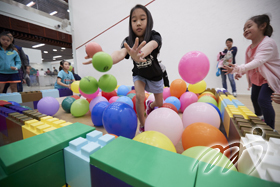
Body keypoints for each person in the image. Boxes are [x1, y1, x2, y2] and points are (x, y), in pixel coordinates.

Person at [84, 4, 163, 133]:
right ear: (130, 23)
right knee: (139, 96)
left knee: (159, 103)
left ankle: (151, 105)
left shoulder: (155, 36)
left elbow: (152, 46)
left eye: (142, 19)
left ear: (149, 21)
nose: (138, 23)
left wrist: (140, 53)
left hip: (155, 75)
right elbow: (120, 53)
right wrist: (104, 59)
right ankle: (142, 124)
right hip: (140, 75)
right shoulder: (128, 41)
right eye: (134, 20)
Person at [223, 14, 280, 129]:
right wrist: (240, 72)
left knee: (263, 100)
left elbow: (258, 62)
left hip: (268, 78)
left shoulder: (268, 43)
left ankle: (270, 129)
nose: (246, 30)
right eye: (244, 29)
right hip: (256, 78)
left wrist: (238, 69)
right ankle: (259, 117)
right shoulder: (249, 49)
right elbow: (249, 64)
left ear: (262, 26)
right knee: (254, 98)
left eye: (249, 26)